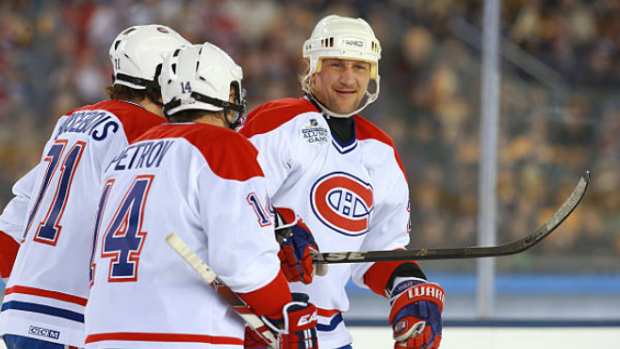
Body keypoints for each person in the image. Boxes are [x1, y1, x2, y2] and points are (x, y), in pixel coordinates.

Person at [84, 43, 319, 349]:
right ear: (227, 94)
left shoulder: (129, 152)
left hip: (103, 333)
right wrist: (283, 311)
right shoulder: (223, 146)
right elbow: (242, 259)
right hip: (182, 334)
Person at [239, 15, 444, 349]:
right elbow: (226, 207)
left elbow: (379, 251)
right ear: (313, 67)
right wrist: (276, 227)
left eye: (360, 67)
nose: (348, 78)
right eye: (336, 65)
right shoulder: (278, 123)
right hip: (258, 328)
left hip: (329, 335)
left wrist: (409, 288)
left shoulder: (381, 151)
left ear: (372, 74)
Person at [0, 24, 190, 349]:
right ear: (160, 82)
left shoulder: (70, 120)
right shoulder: (149, 131)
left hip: (21, 306)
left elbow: (18, 213)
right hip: (75, 315)